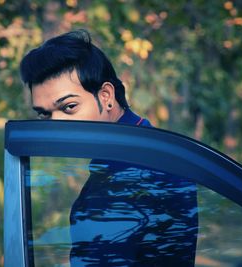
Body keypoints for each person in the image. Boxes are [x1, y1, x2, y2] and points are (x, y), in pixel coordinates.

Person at [20, 29, 198, 266]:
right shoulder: (154, 149)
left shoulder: (126, 179)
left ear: (106, 96)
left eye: (69, 107)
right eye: (45, 114)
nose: (56, 126)